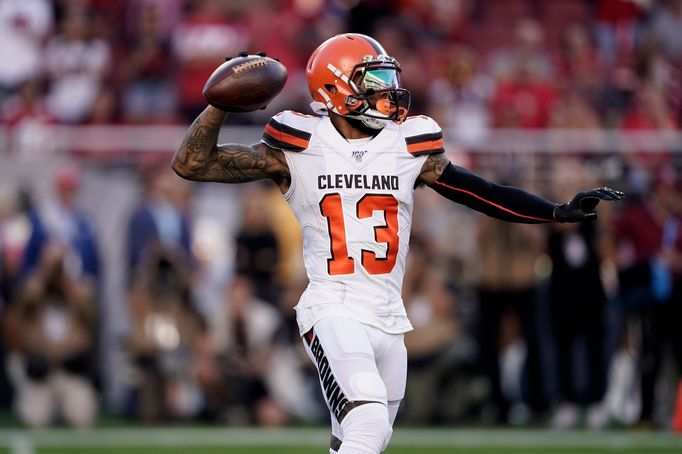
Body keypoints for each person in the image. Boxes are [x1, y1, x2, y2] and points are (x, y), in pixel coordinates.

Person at [172, 33, 624, 454]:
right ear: (335, 88)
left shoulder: (408, 144)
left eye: (390, 77)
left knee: (361, 436)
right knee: (367, 422)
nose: (389, 89)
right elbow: (192, 164)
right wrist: (218, 105)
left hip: (390, 318)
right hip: (333, 308)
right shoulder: (298, 144)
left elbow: (481, 192)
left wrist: (555, 211)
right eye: (375, 79)